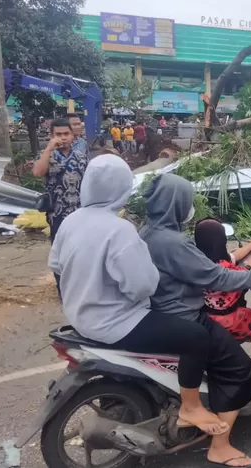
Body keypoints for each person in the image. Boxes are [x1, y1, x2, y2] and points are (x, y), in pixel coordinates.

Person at [48, 155, 231, 437]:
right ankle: (191, 407)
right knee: (196, 337)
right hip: (117, 322)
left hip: (80, 317)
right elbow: (143, 287)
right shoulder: (119, 230)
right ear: (123, 188)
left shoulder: (71, 222)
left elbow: (57, 267)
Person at [140, 174, 251, 468]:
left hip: (158, 311)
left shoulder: (147, 232)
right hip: (185, 315)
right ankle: (220, 446)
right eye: (187, 201)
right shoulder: (173, 242)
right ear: (178, 204)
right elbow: (218, 276)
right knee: (241, 370)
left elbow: (216, 263)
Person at [194, 219, 251, 364]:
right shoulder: (223, 267)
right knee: (249, 316)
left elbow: (234, 256)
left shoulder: (204, 262)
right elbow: (245, 276)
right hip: (226, 319)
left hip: (209, 315)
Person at [32, 118, 88, 293]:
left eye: (66, 134)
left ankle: (80, 287)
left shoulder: (81, 156)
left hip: (80, 214)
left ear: (73, 135)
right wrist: (49, 148)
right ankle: (63, 289)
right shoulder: (48, 155)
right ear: (51, 136)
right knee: (60, 253)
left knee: (81, 252)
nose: (63, 138)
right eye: (58, 134)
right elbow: (37, 172)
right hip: (57, 214)